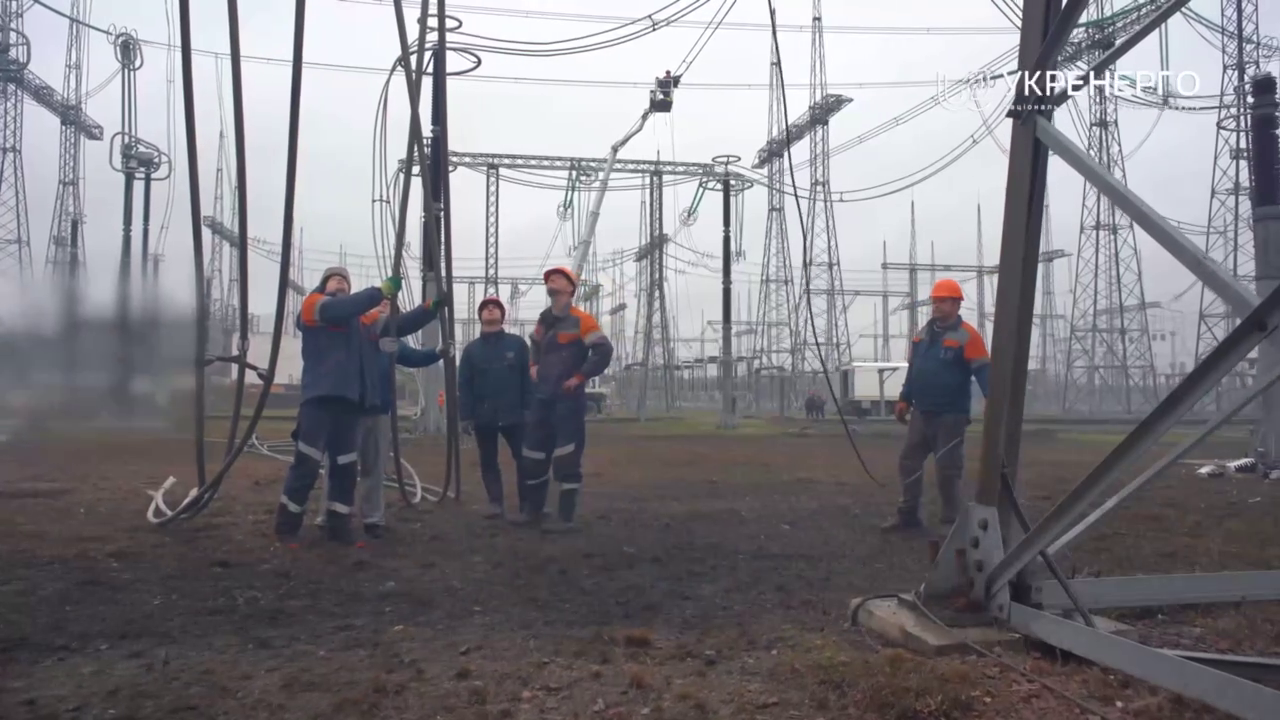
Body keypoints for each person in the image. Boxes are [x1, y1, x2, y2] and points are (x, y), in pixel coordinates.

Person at [273, 266, 402, 544]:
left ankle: (338, 526)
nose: (340, 279)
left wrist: (430, 308)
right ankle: (287, 526)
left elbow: (396, 326)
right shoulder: (314, 306)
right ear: (323, 286)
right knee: (307, 463)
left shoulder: (358, 322)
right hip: (319, 400)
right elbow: (343, 308)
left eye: (344, 278)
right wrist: (379, 292)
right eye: (334, 277)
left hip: (348, 404)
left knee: (345, 467)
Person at [313, 296, 450, 539]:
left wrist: (437, 352)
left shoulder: (390, 340)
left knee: (373, 466)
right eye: (381, 302)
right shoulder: (352, 332)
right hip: (348, 409)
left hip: (378, 408)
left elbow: (412, 357)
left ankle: (373, 518)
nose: (385, 306)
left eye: (390, 306)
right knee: (336, 464)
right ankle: (327, 514)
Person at [883, 278, 990, 533]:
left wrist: (992, 401)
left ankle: (951, 521)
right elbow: (914, 370)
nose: (936, 306)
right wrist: (904, 398)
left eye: (942, 301)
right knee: (908, 462)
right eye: (934, 301)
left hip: (951, 415)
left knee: (947, 469)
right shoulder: (923, 334)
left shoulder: (968, 335)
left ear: (956, 304)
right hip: (922, 412)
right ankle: (907, 516)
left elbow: (984, 372)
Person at [512, 267, 613, 533]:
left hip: (567, 401)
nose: (550, 281)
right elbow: (534, 343)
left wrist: (580, 377)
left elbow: (603, 350)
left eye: (557, 278)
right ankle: (532, 511)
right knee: (532, 456)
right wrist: (534, 364)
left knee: (566, 458)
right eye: (548, 279)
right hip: (542, 398)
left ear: (570, 288)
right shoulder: (544, 320)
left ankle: (565, 518)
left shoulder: (582, 320)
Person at [457, 296, 531, 519]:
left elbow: (527, 380)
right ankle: (495, 504)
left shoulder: (517, 345)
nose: (490, 309)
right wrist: (465, 416)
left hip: (514, 413)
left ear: (502, 316)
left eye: (495, 307)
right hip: (483, 415)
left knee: (525, 459)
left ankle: (528, 505)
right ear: (480, 317)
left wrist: (529, 409)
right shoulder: (471, 351)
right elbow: (464, 385)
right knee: (488, 460)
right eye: (486, 308)